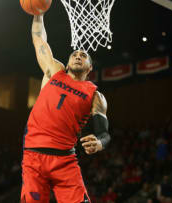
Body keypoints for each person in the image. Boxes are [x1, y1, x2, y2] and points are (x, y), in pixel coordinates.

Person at [20, 14, 111, 203]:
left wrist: (100, 143)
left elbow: (105, 134)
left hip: (65, 160)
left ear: (90, 67)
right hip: (34, 156)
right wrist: (39, 13)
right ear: (68, 62)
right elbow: (38, 38)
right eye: (74, 54)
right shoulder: (54, 71)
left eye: (83, 56)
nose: (78, 56)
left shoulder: (95, 96)